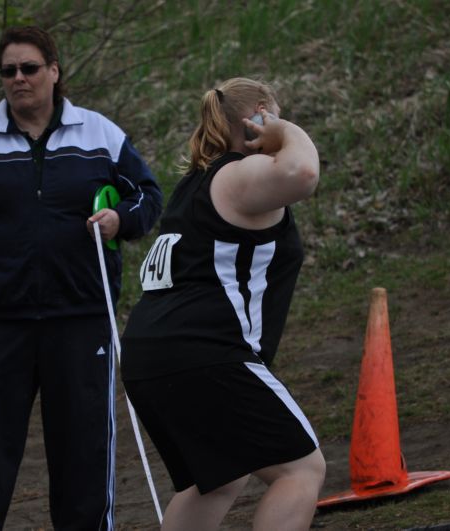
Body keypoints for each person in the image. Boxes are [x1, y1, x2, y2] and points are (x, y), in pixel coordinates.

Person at [0, 25, 162, 530]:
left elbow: (148, 196)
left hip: (82, 319)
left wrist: (121, 221)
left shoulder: (100, 134)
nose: (18, 79)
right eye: (8, 71)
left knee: (83, 451)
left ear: (54, 71)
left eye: (29, 68)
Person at [120, 77, 325, 530]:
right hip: (206, 352)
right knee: (301, 469)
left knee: (219, 477)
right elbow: (304, 173)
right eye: (276, 114)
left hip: (151, 354)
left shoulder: (197, 183)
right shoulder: (238, 175)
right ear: (258, 119)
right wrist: (286, 132)